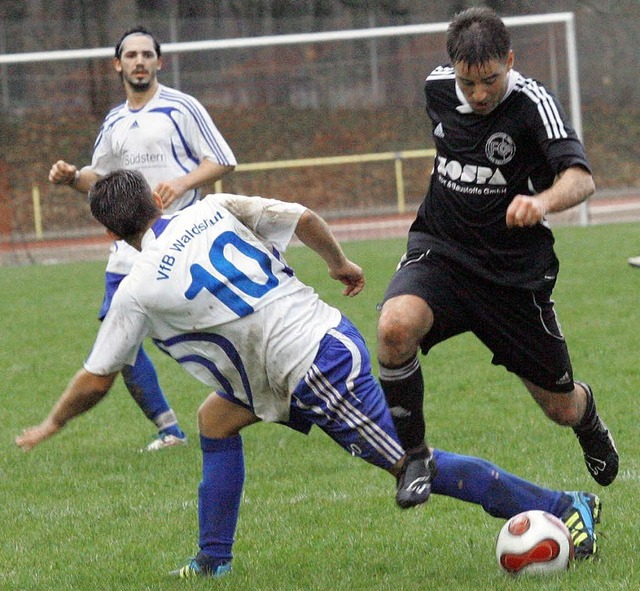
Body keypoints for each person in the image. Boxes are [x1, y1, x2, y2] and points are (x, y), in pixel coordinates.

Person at [16, 170, 601, 578]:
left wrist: (49, 424)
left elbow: (96, 379)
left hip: (313, 368)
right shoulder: (211, 208)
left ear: (112, 234)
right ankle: (213, 562)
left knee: (411, 462)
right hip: (305, 348)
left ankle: (566, 504)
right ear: (153, 197)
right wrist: (338, 262)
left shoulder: (136, 288)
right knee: (215, 421)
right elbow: (300, 217)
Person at [376, 6, 619, 508]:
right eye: (469, 83)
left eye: (490, 80)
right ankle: (415, 455)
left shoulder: (533, 105)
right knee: (394, 328)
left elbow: (582, 178)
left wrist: (541, 201)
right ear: (453, 70)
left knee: (559, 406)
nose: (480, 94)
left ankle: (587, 414)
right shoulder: (436, 89)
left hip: (512, 277)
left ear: (509, 59)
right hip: (440, 253)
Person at [48, 26, 236, 451]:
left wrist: (181, 182)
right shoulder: (114, 121)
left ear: (158, 62)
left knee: (203, 331)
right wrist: (73, 177)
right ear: (118, 65)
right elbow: (101, 180)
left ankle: (254, 389)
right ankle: (169, 429)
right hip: (127, 251)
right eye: (130, 55)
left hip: (181, 241)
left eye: (146, 54)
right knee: (118, 343)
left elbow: (223, 159)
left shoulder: (181, 107)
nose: (138, 61)